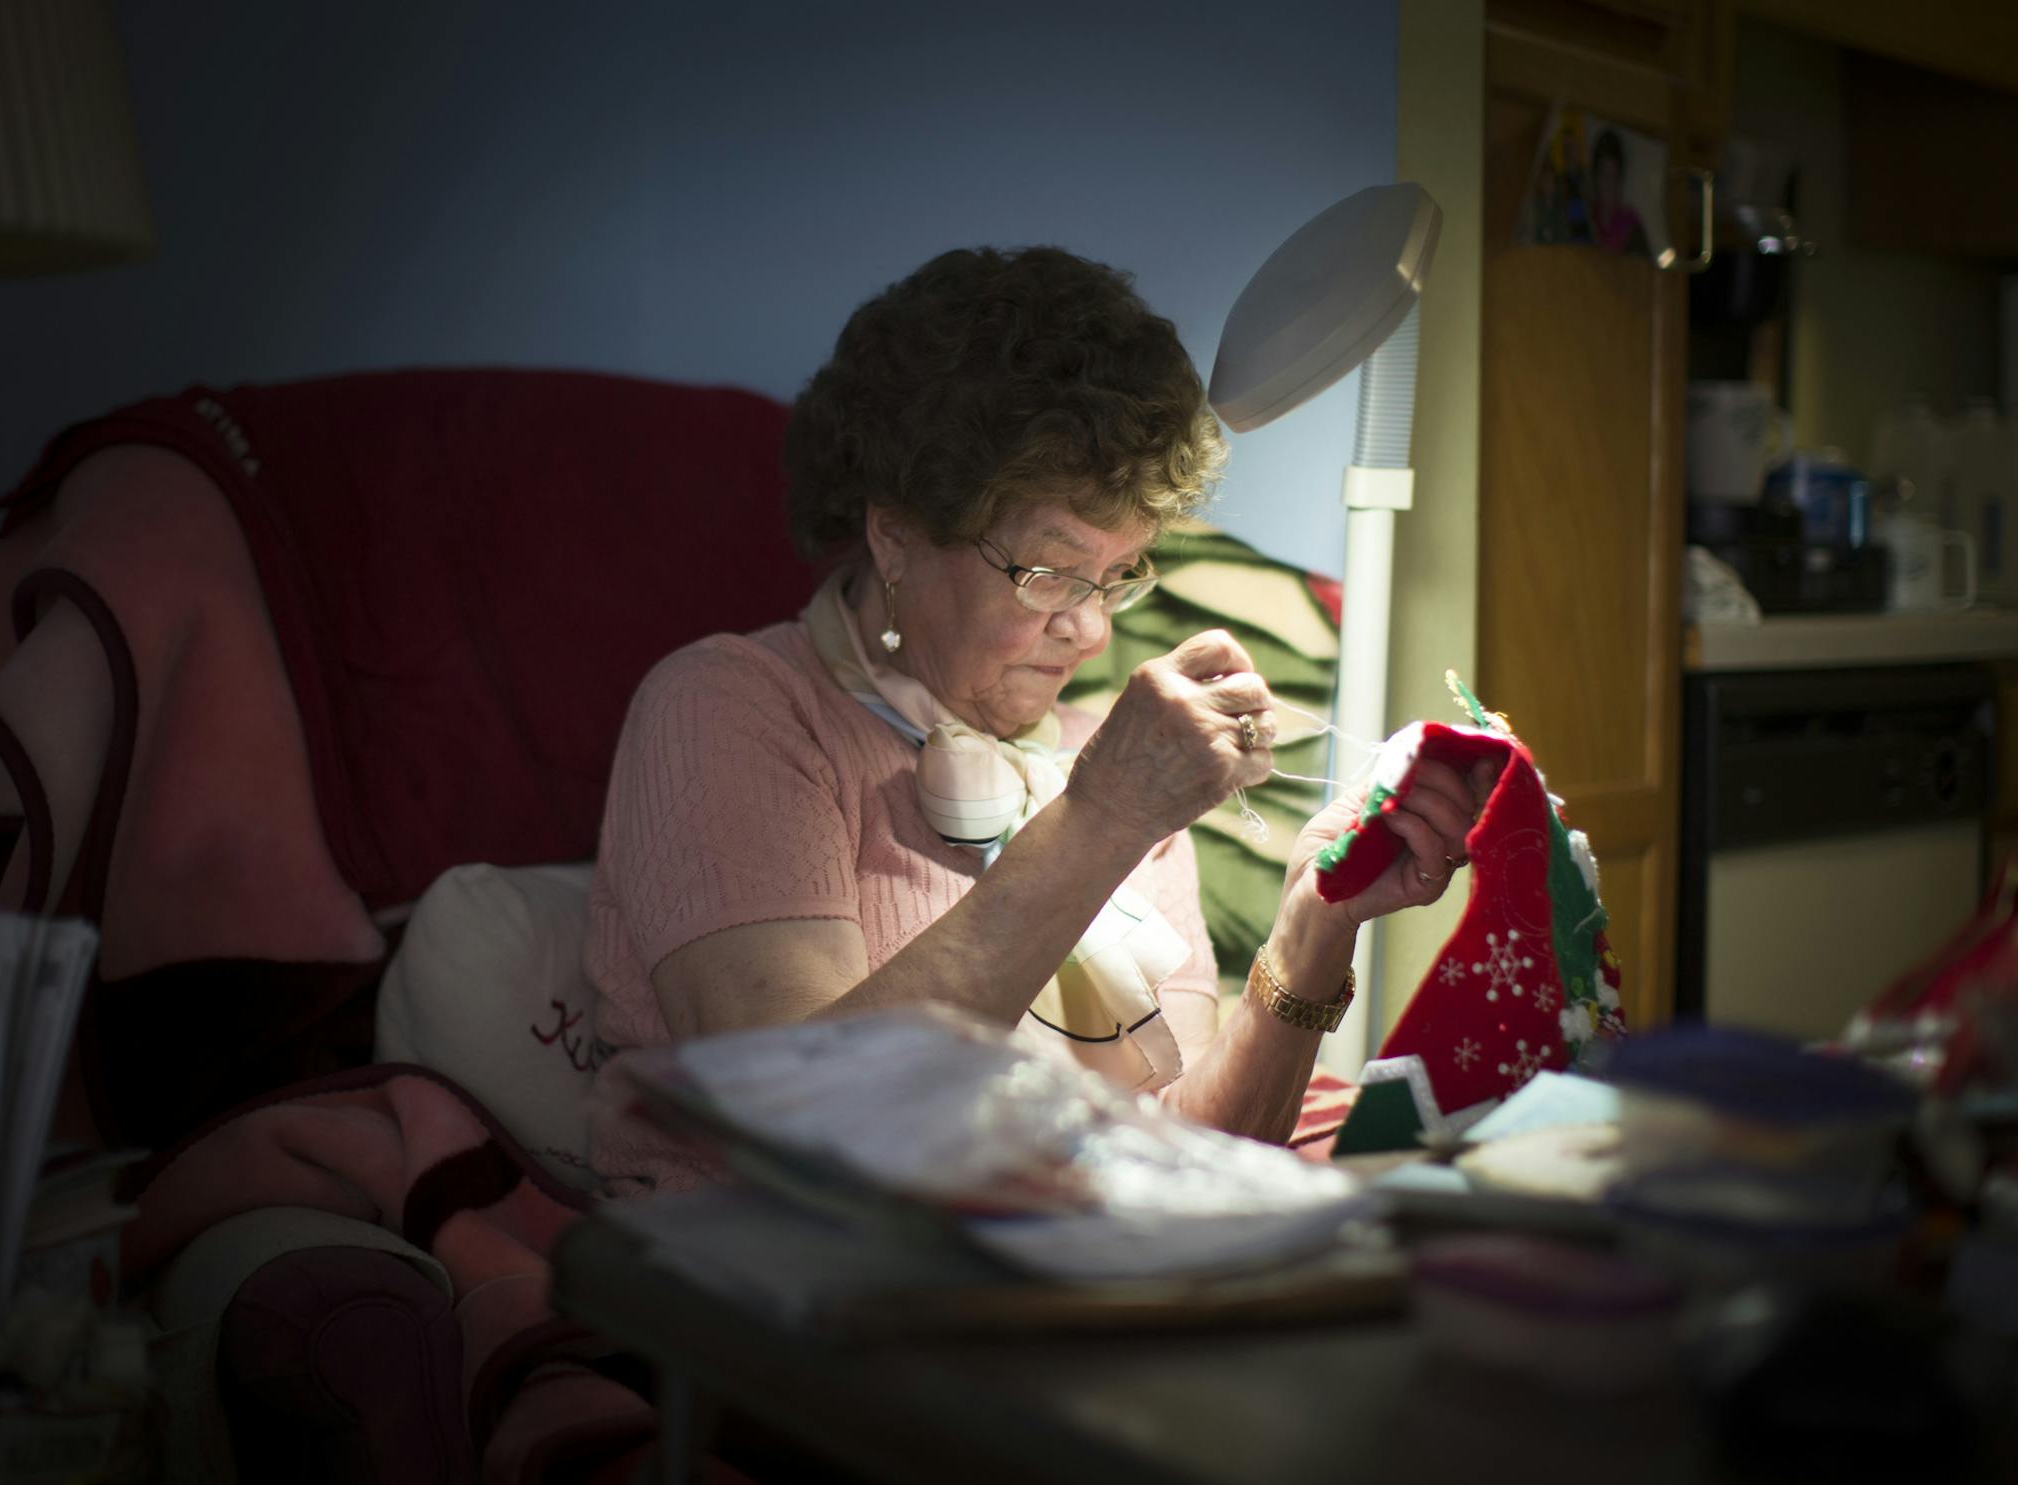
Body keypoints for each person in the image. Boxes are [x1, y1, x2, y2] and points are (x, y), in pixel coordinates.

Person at [584, 246, 1491, 1181]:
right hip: (786, 1287)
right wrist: (1098, 820)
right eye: (1049, 573)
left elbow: (1188, 1156)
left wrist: (1312, 927)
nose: (1091, 631)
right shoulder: (731, 707)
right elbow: (796, 1123)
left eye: (1118, 576)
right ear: (896, 532)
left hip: (1054, 1269)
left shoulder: (1100, 760)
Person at [1590, 130, 1650, 257]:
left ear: (1620, 179)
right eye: (1604, 174)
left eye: (1613, 176)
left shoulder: (1630, 221)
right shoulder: (1586, 214)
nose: (1608, 183)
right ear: (1596, 176)